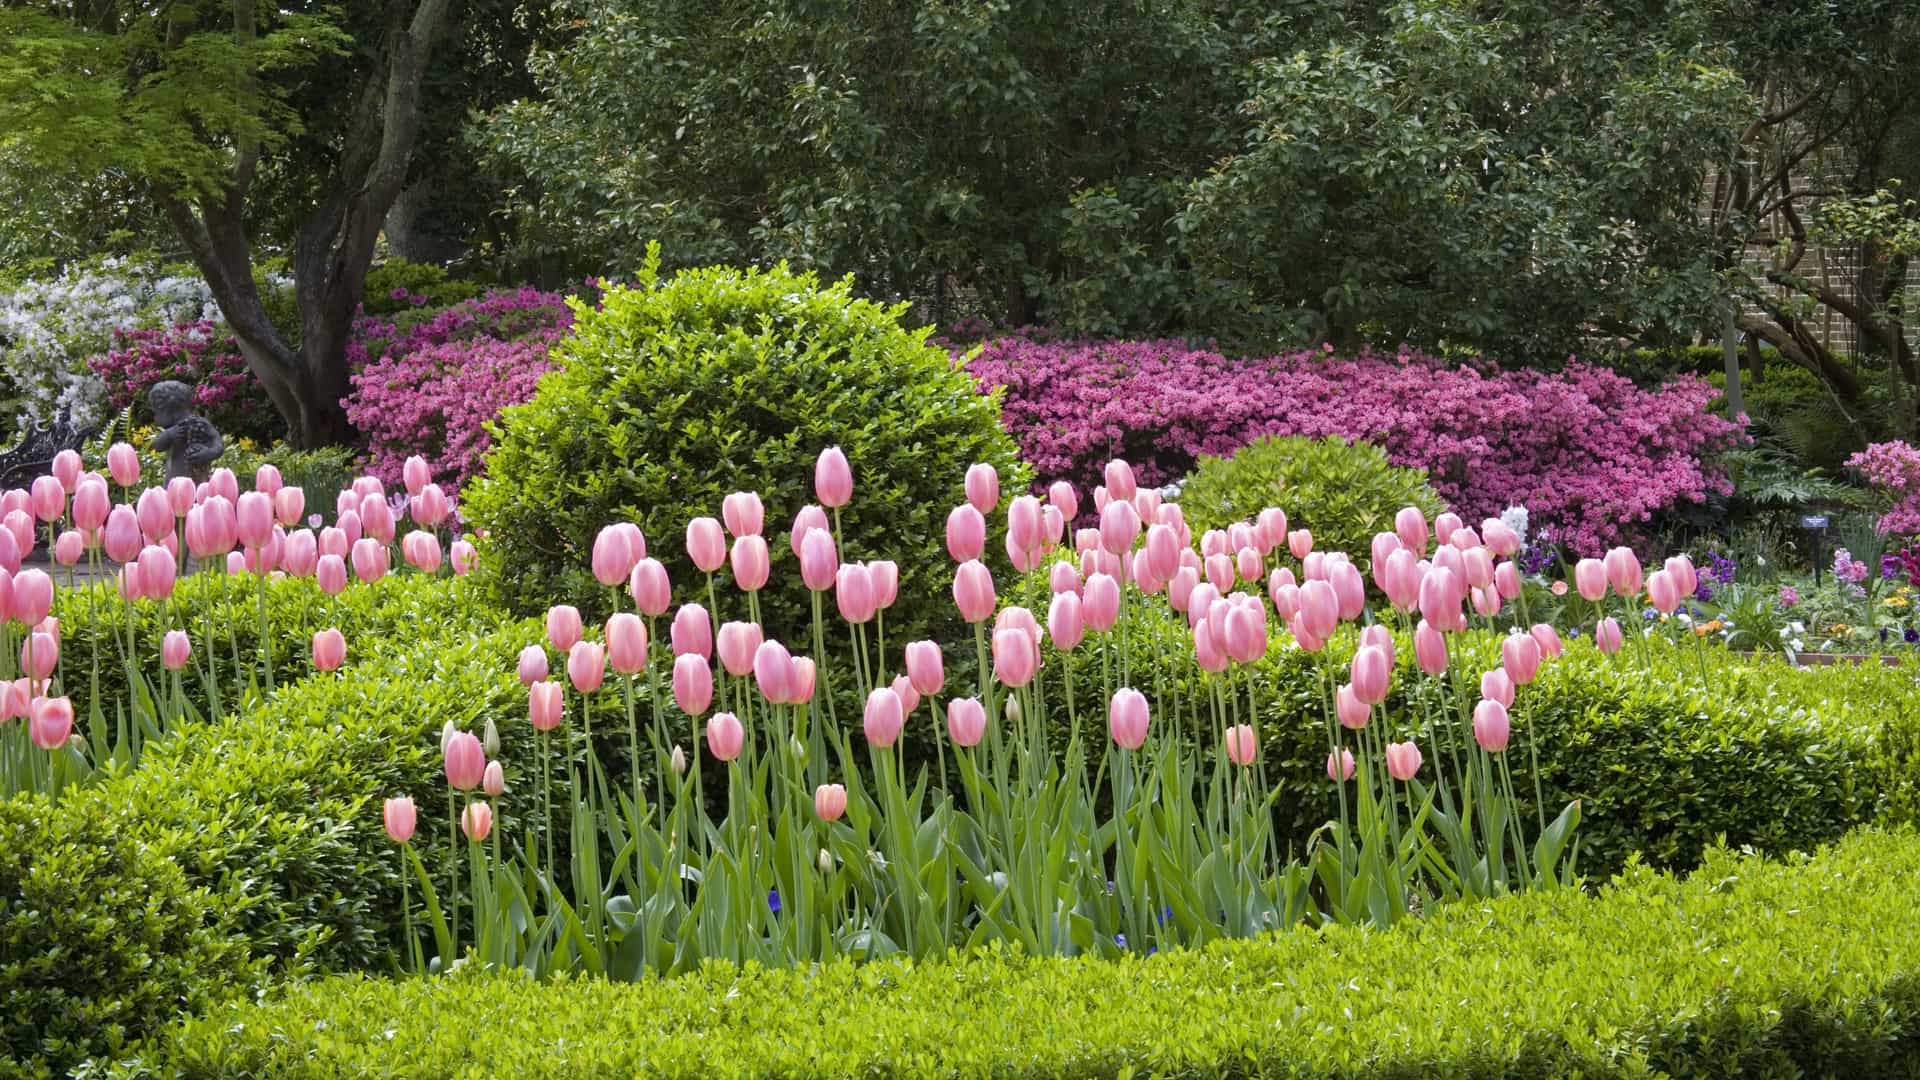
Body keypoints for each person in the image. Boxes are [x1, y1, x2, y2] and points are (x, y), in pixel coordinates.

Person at [147, 380, 224, 482]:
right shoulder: (173, 431)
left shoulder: (201, 424)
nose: (155, 418)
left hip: (198, 479)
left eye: (156, 412)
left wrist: (208, 453)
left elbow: (218, 444)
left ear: (168, 410)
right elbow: (155, 447)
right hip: (174, 480)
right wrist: (169, 435)